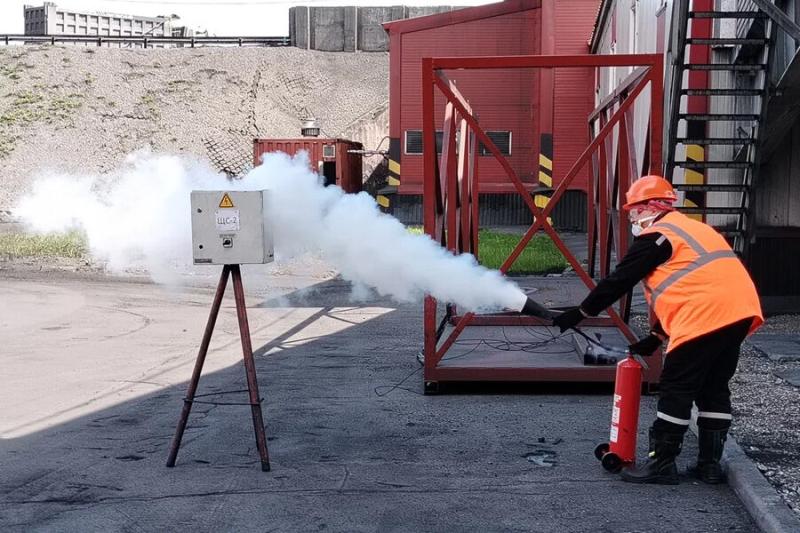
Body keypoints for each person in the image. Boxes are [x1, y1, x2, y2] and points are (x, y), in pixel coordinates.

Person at [553, 175, 763, 485]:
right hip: (738, 313)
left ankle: (662, 464)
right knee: (714, 389)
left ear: (651, 207)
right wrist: (656, 337)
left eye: (634, 212)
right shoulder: (695, 230)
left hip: (703, 316)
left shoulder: (658, 235)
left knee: (676, 387)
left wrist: (581, 311)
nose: (633, 219)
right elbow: (693, 284)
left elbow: (620, 279)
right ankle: (709, 466)